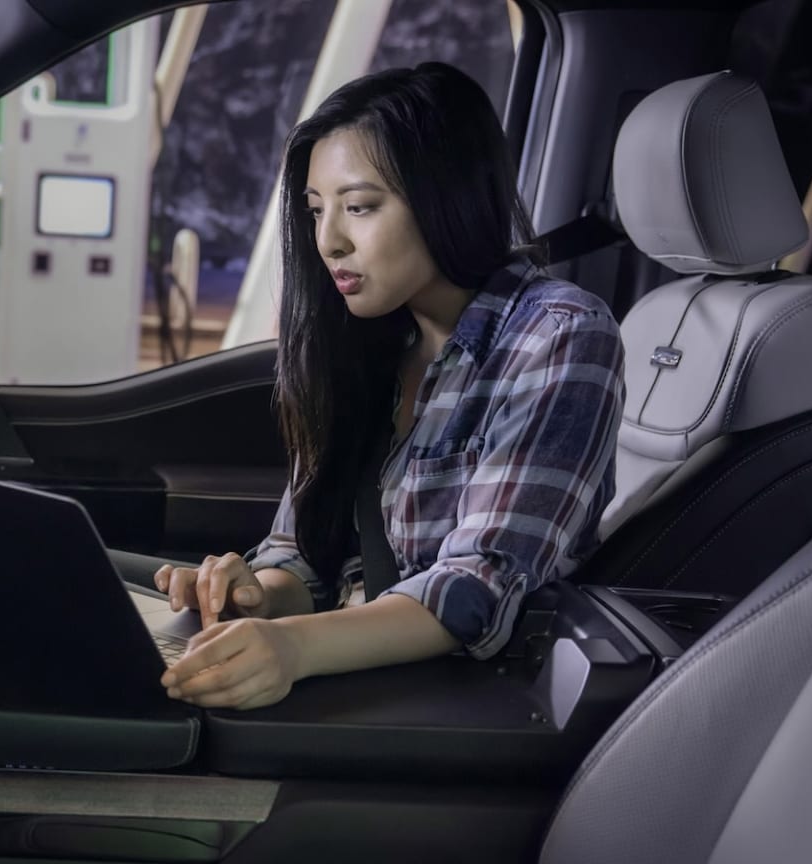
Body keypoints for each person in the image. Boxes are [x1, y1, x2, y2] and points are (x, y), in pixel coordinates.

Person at [152, 63, 625, 710]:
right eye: (317, 212)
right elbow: (305, 555)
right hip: (360, 679)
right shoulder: (360, 345)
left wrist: (292, 646)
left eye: (360, 207)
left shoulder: (560, 336)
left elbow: (475, 591)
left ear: (447, 197)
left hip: (462, 704)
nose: (329, 241)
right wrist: (257, 595)